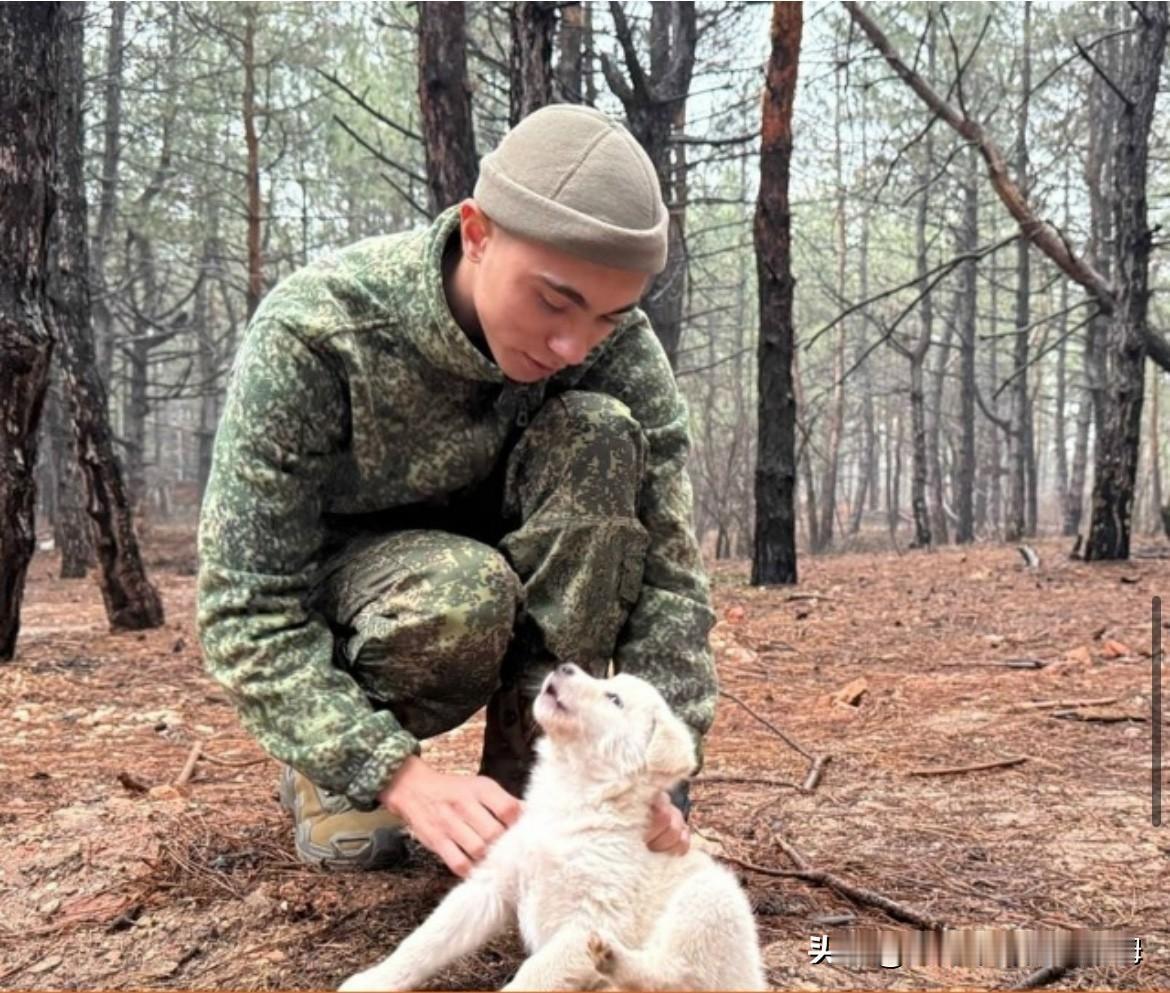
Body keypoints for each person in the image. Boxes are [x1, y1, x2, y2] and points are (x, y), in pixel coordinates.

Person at [196, 104, 718, 879]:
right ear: (477, 233)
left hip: (512, 588)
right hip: (375, 607)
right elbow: (246, 604)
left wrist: (658, 773)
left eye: (607, 317)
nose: (573, 344)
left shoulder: (617, 353)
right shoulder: (319, 332)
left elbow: (671, 576)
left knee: (602, 434)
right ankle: (335, 772)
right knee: (464, 591)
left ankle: (534, 771)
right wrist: (395, 773)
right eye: (553, 300)